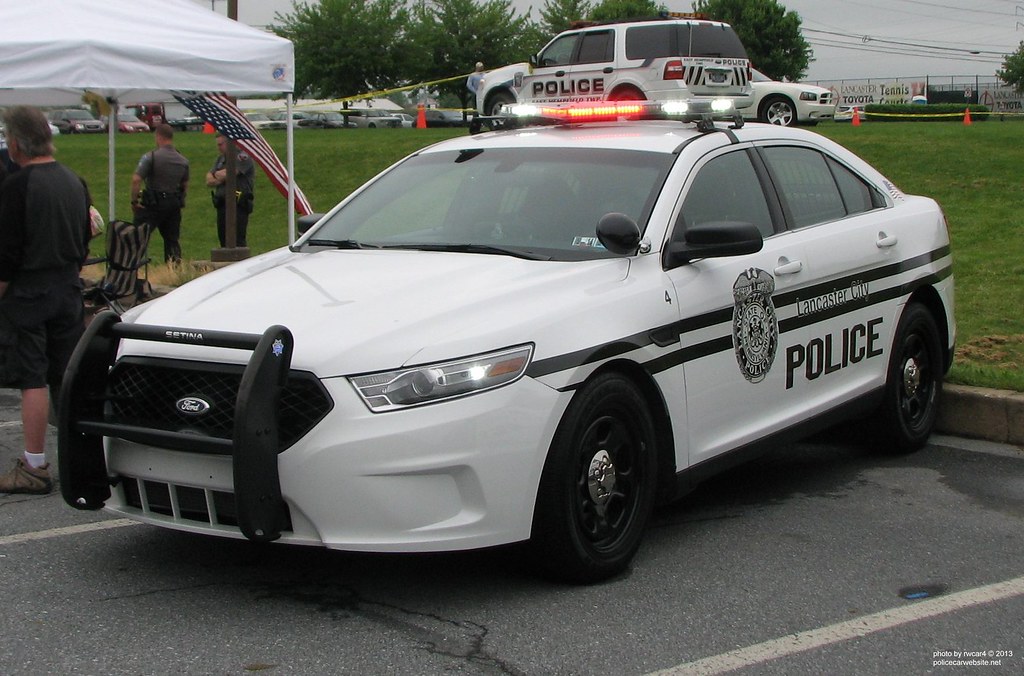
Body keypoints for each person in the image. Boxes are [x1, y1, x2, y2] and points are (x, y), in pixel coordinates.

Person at [0, 106, 92, 494]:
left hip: (29, 292)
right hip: (68, 288)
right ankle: (83, 458)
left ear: (17, 143)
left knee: (32, 378)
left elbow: (6, 257)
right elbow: (85, 243)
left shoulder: (17, 187)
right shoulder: (76, 181)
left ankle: (34, 464)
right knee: (65, 378)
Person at [130, 123, 189, 262]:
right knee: (172, 241)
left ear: (158, 137)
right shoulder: (183, 160)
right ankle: (173, 271)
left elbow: (136, 179)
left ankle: (130, 268)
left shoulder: (151, 157)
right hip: (173, 203)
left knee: (138, 238)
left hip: (153, 203)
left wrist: (134, 201)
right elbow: (185, 184)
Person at [206, 134, 255, 248]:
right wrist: (219, 177)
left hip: (239, 202)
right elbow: (208, 179)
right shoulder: (221, 159)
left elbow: (231, 173)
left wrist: (218, 175)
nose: (218, 148)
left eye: (220, 144)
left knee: (238, 240)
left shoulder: (243, 156)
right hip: (222, 203)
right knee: (223, 239)